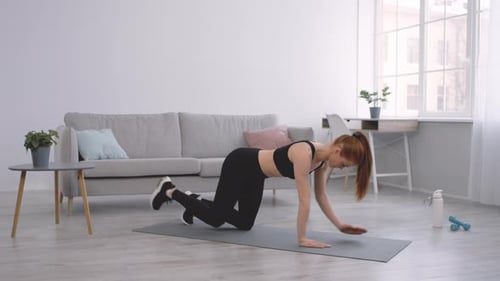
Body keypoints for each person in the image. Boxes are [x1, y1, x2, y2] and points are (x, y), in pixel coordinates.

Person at [150, 131, 373, 249]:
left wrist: (340, 225)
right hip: (240, 163)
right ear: (338, 149)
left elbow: (321, 196)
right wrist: (302, 238)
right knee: (217, 219)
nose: (342, 169)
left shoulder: (323, 162)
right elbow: (305, 200)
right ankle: (170, 190)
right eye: (344, 164)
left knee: (245, 224)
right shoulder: (304, 153)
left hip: (256, 174)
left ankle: (194, 201)